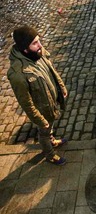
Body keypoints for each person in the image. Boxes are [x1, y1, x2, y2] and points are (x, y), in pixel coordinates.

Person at [7, 25, 68, 166]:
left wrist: (61, 86)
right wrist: (40, 119)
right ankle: (50, 154)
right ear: (24, 48)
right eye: (35, 43)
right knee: (44, 132)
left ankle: (52, 140)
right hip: (42, 111)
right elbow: (26, 103)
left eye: (39, 40)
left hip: (50, 104)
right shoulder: (18, 74)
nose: (40, 45)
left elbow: (50, 69)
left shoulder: (36, 53)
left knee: (49, 128)